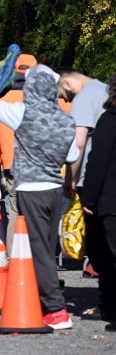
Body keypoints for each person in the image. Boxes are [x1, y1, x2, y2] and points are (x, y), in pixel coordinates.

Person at [0, 68, 78, 330]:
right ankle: (43, 300)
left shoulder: (22, 113)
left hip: (30, 187)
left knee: (38, 248)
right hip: (55, 187)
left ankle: (56, 309)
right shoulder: (64, 119)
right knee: (48, 247)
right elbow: (72, 156)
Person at [0, 53, 37, 251]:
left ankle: (15, 258)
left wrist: (2, 158)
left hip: (10, 166)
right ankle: (38, 259)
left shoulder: (0, 103)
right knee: (37, 213)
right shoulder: (40, 100)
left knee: (14, 212)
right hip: (36, 167)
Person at [80, 78, 116, 332]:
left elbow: (97, 161)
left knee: (106, 255)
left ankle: (110, 306)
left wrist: (89, 199)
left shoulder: (110, 119)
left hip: (111, 200)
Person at [56, 68, 109, 198]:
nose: (66, 101)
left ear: (66, 83)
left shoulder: (83, 97)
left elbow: (78, 143)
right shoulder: (106, 89)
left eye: (62, 95)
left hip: (90, 178)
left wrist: (69, 179)